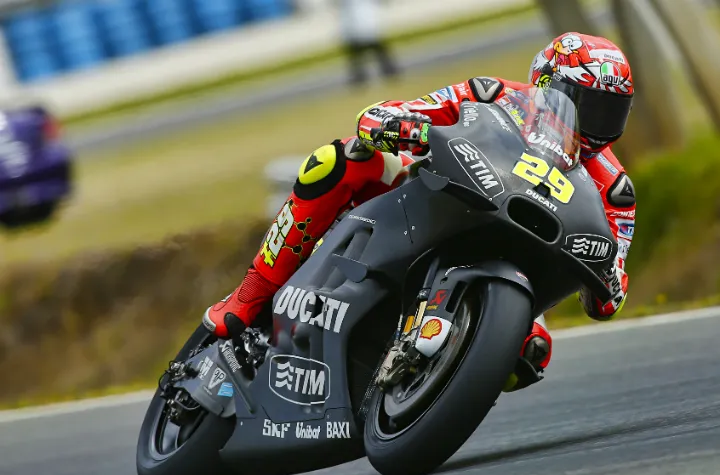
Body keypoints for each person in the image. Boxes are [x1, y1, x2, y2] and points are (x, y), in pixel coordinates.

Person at [202, 32, 637, 389]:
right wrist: (399, 123)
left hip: (515, 257)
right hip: (435, 199)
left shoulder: (615, 190)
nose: (597, 122)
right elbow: (391, 115)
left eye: (611, 110)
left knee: (529, 354)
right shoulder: (493, 94)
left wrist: (607, 279)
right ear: (548, 86)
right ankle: (251, 293)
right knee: (338, 161)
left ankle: (424, 385)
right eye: (589, 104)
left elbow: (608, 286)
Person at [336, 0, 399, 86]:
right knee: (357, 53)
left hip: (366, 19)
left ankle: (389, 70)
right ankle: (360, 76)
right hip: (353, 22)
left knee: (376, 47)